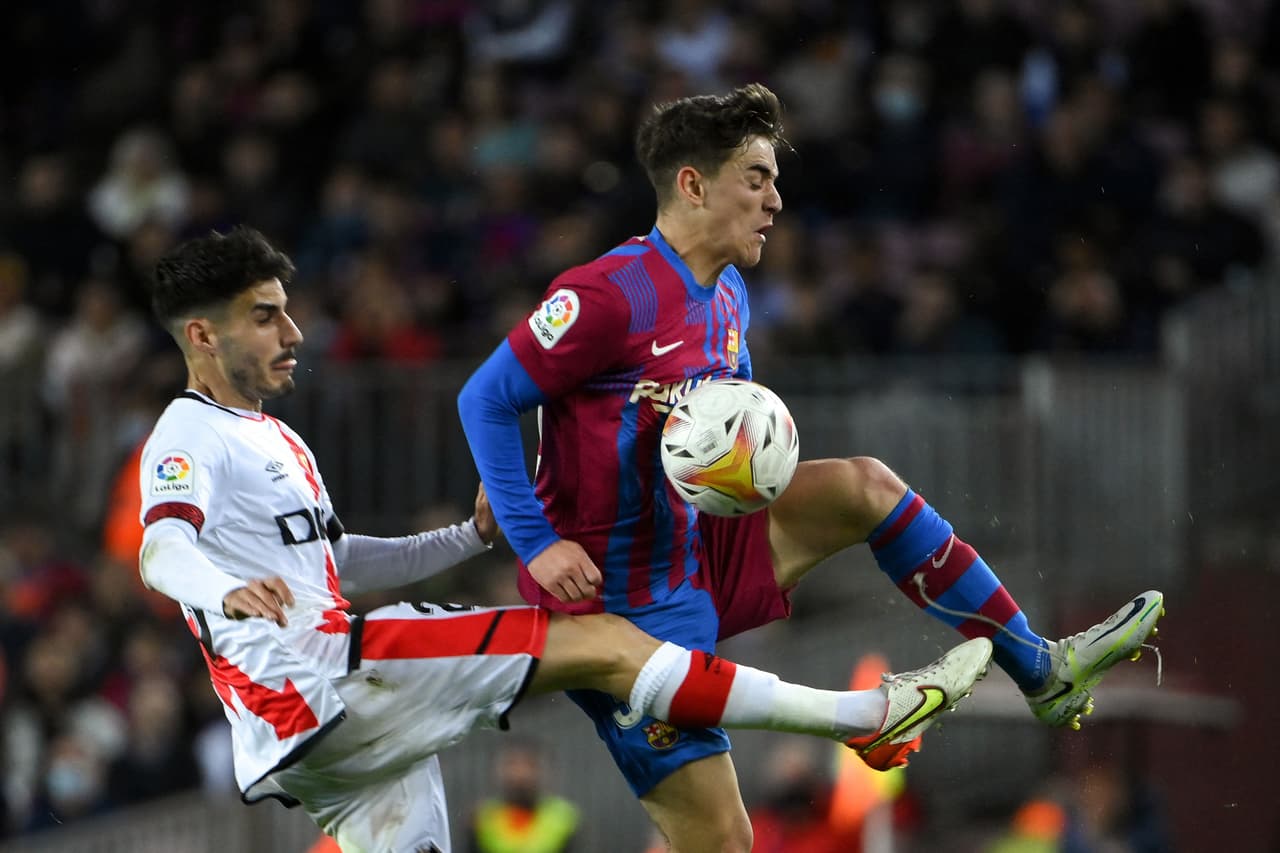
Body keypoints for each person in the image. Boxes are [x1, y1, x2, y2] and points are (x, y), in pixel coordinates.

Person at [457, 82, 1165, 852]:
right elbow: (485, 398)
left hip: (697, 550)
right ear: (692, 184)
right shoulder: (604, 293)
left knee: (863, 484)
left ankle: (1042, 670)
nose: (776, 201)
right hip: (611, 611)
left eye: (775, 181)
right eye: (756, 178)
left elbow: (692, 426)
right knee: (726, 841)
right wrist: (533, 534)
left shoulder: (728, 294)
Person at [137, 225, 996, 853]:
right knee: (607, 642)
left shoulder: (278, 439)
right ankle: (868, 717)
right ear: (202, 335)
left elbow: (334, 566)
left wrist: (470, 535)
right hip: (322, 680)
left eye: (286, 312)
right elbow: (161, 550)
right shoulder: (187, 436)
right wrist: (219, 587)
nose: (292, 333)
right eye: (264, 316)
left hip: (314, 742)